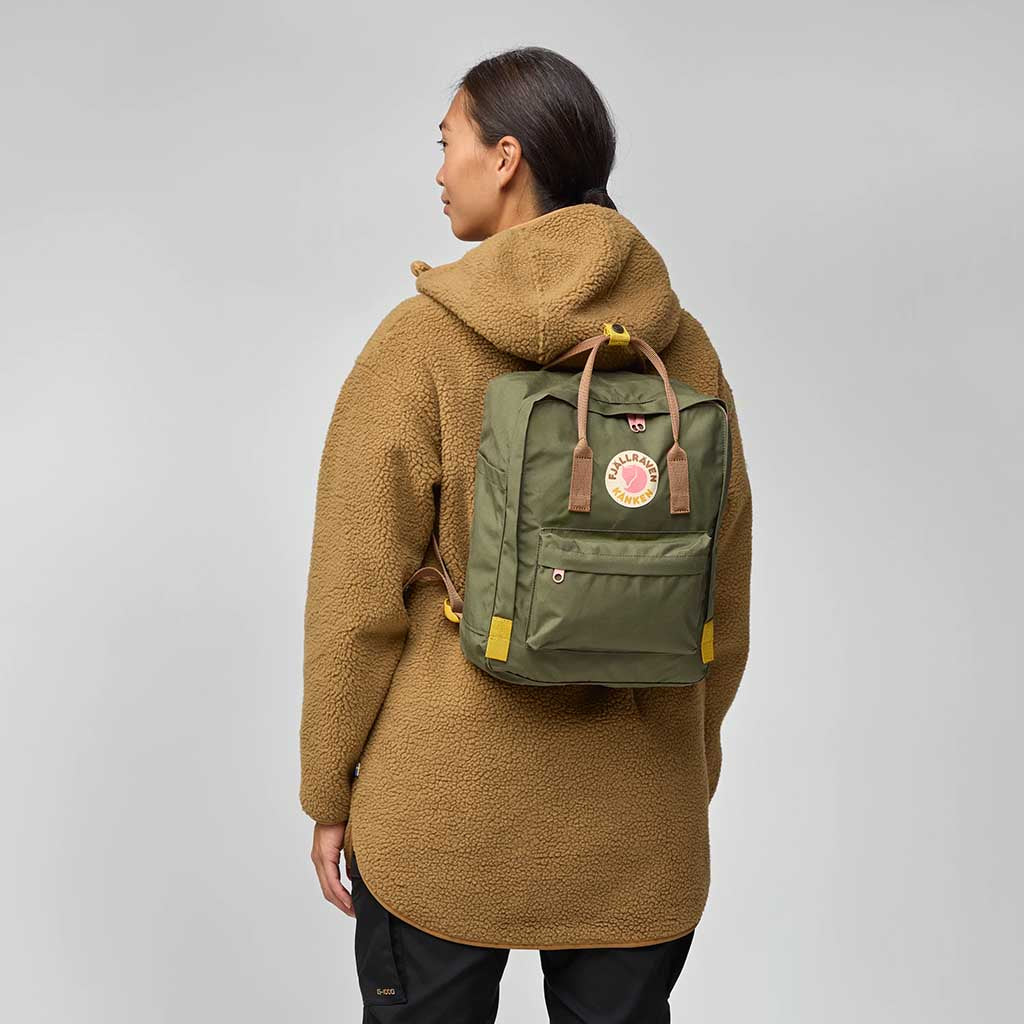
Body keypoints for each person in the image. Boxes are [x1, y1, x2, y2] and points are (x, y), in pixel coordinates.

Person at [300, 45, 753, 1023]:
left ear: (505, 157)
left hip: (441, 818)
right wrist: (691, 768)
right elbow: (722, 585)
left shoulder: (419, 342)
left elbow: (354, 598)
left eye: (448, 142)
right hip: (637, 820)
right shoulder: (682, 348)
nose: (439, 169)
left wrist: (326, 790)